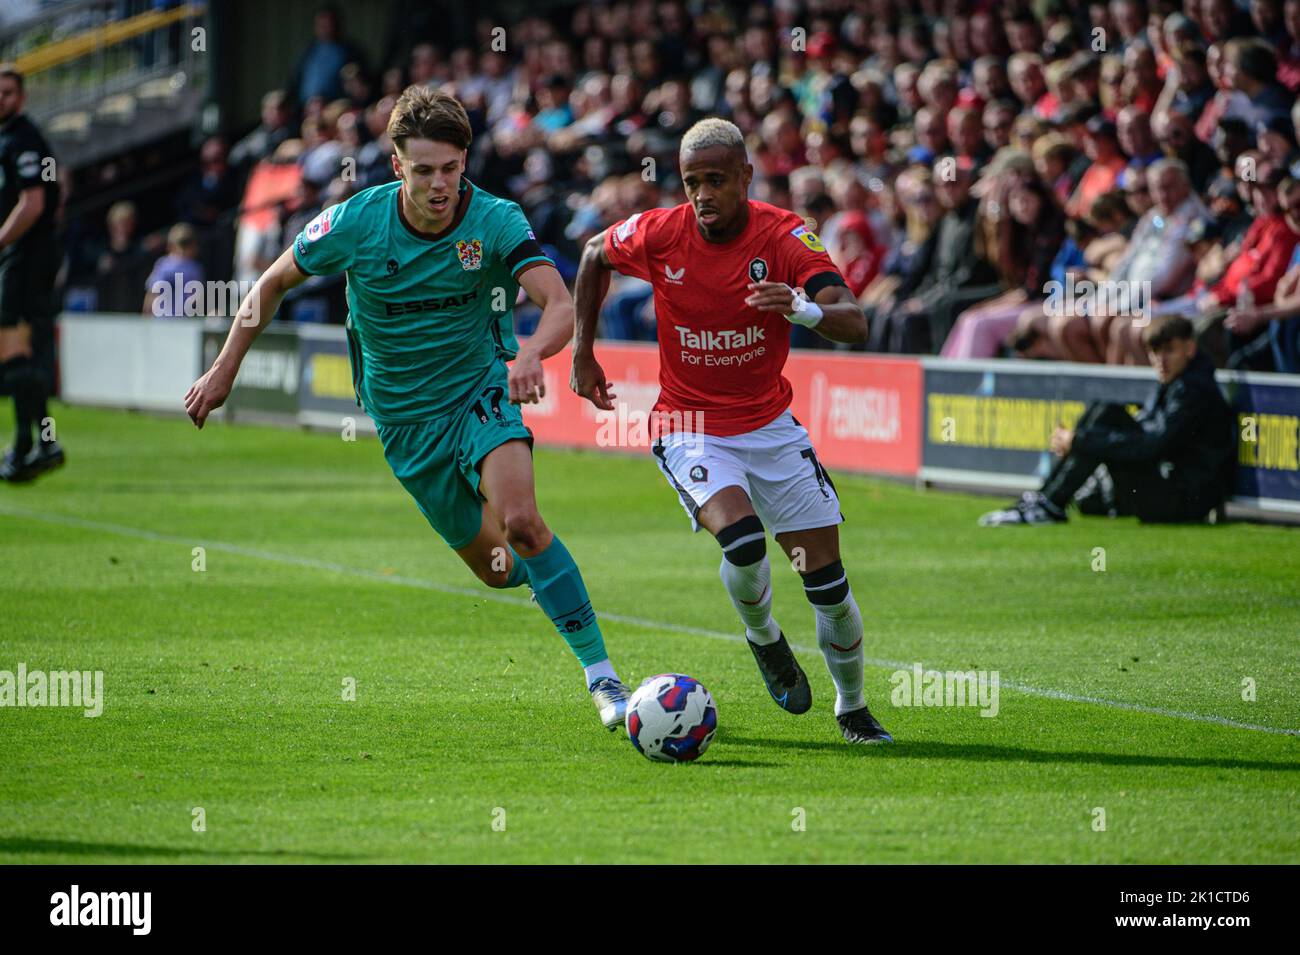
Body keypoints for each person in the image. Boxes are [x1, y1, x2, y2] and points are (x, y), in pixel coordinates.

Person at [184, 87, 631, 731]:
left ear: (465, 162)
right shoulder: (356, 223)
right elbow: (273, 281)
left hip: (481, 392)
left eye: (450, 168)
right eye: (424, 170)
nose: (440, 184)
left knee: (524, 523)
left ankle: (603, 679)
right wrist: (224, 370)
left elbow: (558, 303)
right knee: (501, 568)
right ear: (397, 165)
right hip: (402, 425)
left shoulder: (496, 220)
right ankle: (549, 581)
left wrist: (532, 354)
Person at [572, 118, 893, 745]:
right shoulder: (661, 233)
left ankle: (852, 706)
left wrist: (800, 308)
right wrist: (584, 353)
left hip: (771, 429)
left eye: (717, 180)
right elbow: (591, 255)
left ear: (746, 176)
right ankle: (764, 636)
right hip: (689, 425)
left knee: (826, 584)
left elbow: (855, 321)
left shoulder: (786, 236)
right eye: (692, 182)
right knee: (743, 541)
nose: (703, 194)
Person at [979, 316, 1233, 526]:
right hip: (1171, 487)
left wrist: (1080, 440)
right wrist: (1082, 440)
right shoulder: (1177, 382)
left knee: (1104, 422)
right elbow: (1150, 432)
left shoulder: (1193, 390)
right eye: (1155, 352)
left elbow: (1152, 446)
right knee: (1105, 411)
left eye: (1169, 351)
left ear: (1189, 349)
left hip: (1184, 501)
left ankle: (1049, 504)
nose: (1160, 360)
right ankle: (1045, 500)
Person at [0, 65, 63, 483]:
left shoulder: (25, 139)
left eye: (7, 93)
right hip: (19, 258)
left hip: (27, 260)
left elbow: (34, 203)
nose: (1, 99)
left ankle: (32, 443)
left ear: (20, 97)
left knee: (15, 347)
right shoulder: (9, 138)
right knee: (17, 351)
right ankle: (34, 445)